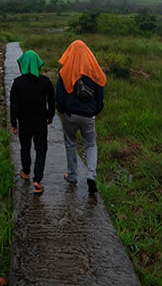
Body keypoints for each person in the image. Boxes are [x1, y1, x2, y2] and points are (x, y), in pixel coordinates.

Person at [56, 40, 106, 196]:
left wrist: (63, 111)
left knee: (70, 144)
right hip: (88, 115)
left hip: (70, 115)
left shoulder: (65, 71)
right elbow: (100, 97)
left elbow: (59, 95)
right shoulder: (94, 71)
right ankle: (91, 175)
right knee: (90, 145)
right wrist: (94, 112)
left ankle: (72, 176)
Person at [9, 49, 55, 194]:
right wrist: (50, 116)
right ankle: (37, 180)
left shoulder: (17, 83)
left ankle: (26, 171)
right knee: (41, 150)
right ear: (37, 63)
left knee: (25, 146)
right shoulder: (46, 81)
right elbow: (52, 102)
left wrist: (13, 123)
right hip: (40, 121)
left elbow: (14, 105)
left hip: (24, 122)